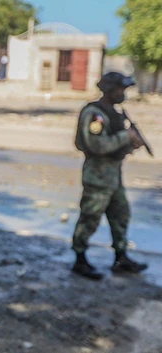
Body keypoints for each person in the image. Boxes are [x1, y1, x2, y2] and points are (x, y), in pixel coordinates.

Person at [71, 71, 148, 280]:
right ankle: (80, 259)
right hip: (98, 176)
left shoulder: (114, 112)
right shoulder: (94, 114)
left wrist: (130, 143)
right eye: (120, 89)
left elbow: (116, 142)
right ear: (109, 90)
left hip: (114, 175)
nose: (123, 93)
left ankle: (121, 257)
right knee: (90, 217)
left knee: (121, 215)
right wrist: (126, 136)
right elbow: (97, 144)